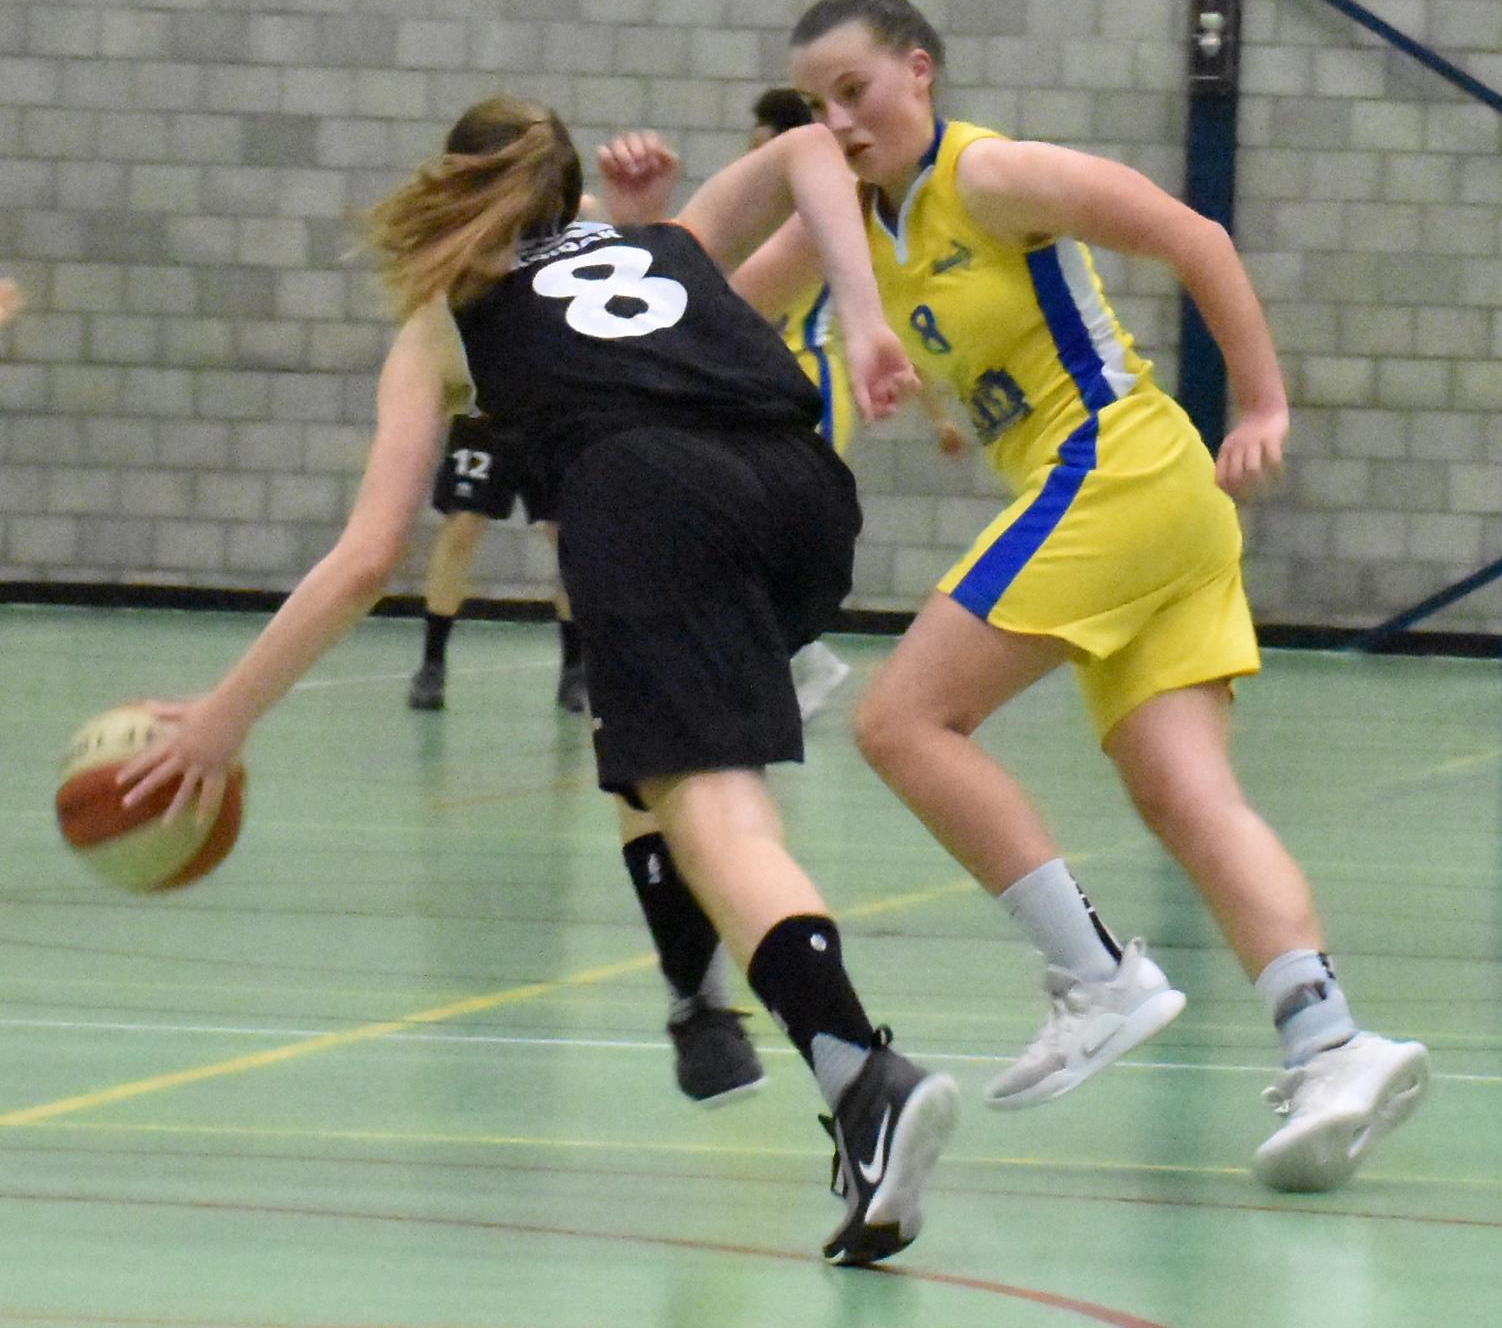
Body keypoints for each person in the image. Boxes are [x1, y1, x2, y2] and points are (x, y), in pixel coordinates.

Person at [118, 95, 959, 1266]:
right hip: (805, 500)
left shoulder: (444, 318)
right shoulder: (665, 240)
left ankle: (862, 1074)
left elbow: (366, 559)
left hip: (654, 501)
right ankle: (700, 1009)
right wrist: (862, 317)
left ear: (449, 184)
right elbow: (814, 146)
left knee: (716, 811)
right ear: (569, 191)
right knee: (644, 740)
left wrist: (223, 719)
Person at [740, 0, 1429, 1195]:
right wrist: (639, 216)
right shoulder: (844, 220)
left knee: (900, 720)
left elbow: (1192, 235)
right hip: (1150, 507)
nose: (837, 123)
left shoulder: (989, 174)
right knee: (1184, 792)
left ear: (918, 71)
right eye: (814, 106)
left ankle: (1096, 973)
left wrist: (1262, 400)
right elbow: (710, 303)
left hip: (1114, 465)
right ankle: (1329, 1040)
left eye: (854, 91)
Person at [748, 85, 968, 719]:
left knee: (774, 527)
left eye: (765, 148)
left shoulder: (833, 216)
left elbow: (893, 328)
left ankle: (805, 655)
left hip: (815, 382)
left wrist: (938, 415)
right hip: (766, 382)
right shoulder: (768, 219)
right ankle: (790, 656)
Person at [406, 413, 586, 712]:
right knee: (462, 526)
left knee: (568, 535)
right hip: (487, 415)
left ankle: (575, 668)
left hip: (555, 413)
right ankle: (432, 664)